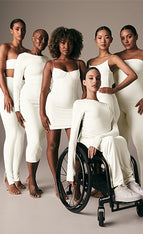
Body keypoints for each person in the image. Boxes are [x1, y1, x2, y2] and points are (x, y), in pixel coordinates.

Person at [67, 67, 143, 203]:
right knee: (110, 140)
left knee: (120, 139)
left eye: (98, 78)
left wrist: (99, 140)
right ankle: (118, 187)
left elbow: (115, 130)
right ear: (84, 82)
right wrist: (71, 172)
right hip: (87, 143)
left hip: (102, 141)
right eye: (91, 78)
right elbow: (74, 134)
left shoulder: (106, 106)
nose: (95, 81)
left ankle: (130, 182)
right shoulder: (80, 104)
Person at [114, 25, 143, 202]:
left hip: (139, 104)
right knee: (119, 144)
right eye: (123, 38)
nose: (126, 40)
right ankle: (124, 185)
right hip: (119, 105)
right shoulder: (116, 56)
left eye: (129, 36)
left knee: (141, 142)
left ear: (136, 36)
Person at [40, 27, 86, 197]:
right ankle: (57, 182)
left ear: (75, 45)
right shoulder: (50, 64)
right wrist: (42, 114)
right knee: (52, 145)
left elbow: (86, 90)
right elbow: (44, 90)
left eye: (70, 43)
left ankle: (76, 184)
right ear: (57, 44)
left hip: (73, 110)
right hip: (53, 109)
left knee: (76, 146)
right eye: (63, 42)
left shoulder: (80, 64)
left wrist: (84, 109)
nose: (66, 46)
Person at [13, 29, 49, 198]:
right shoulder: (23, 57)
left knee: (39, 143)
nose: (42, 41)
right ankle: (33, 181)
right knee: (34, 140)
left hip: (44, 104)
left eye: (45, 39)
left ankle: (30, 176)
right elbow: (17, 83)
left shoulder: (48, 61)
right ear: (33, 39)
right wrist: (17, 108)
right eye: (39, 38)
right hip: (27, 102)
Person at [0, 18, 28, 195]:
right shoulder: (5, 47)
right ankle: (9, 179)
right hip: (7, 92)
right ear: (11, 30)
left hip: (22, 93)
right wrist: (6, 95)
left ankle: (16, 176)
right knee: (12, 134)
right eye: (17, 29)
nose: (20, 32)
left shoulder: (26, 52)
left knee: (21, 135)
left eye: (22, 29)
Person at [87, 26, 137, 123]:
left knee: (109, 132)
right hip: (92, 101)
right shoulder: (90, 62)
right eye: (100, 37)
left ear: (111, 40)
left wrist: (115, 89)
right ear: (95, 40)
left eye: (106, 37)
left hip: (107, 99)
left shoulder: (113, 58)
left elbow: (132, 75)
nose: (103, 41)